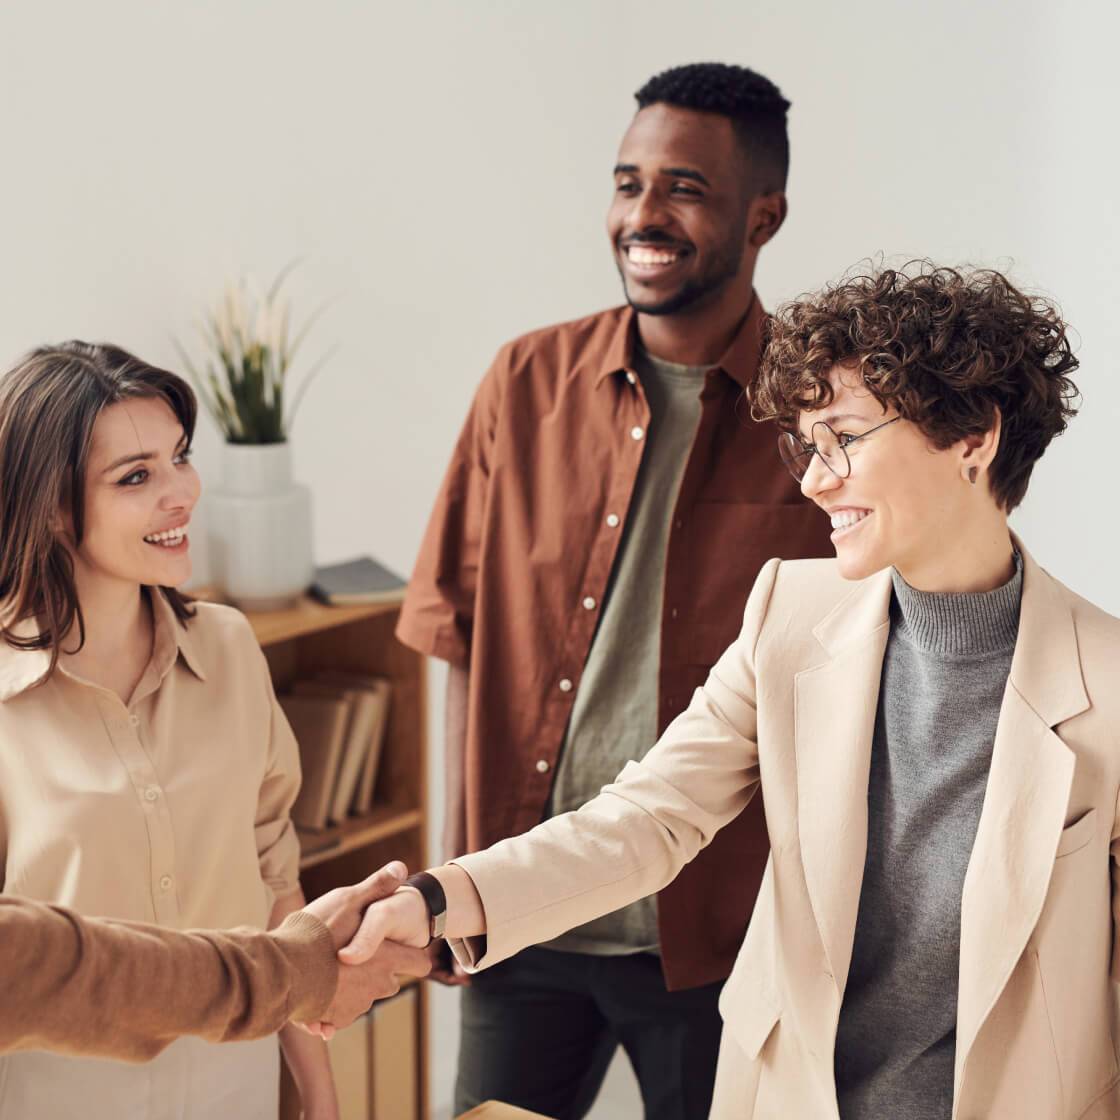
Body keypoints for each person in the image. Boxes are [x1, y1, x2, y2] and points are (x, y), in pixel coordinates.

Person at [347, 263, 1120, 1119]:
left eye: (846, 439)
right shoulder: (789, 614)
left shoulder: (1108, 686)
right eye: (807, 446)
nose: (814, 480)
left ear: (973, 437)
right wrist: (438, 899)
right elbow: (648, 817)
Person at [397, 61, 831, 1120]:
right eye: (628, 181)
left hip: (717, 936)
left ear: (761, 216)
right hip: (521, 915)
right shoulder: (522, 384)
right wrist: (453, 877)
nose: (643, 214)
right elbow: (451, 636)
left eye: (683, 187)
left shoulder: (820, 412)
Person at [0, 342, 330, 1118]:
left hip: (232, 1087)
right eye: (136, 477)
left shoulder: (230, 649)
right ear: (51, 506)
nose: (181, 493)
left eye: (180, 458)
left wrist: (316, 1091)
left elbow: (276, 885)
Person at [0, 863, 431, 1060]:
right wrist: (296, 967)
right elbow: (45, 966)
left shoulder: (242, 684)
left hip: (236, 1068)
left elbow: (277, 869)